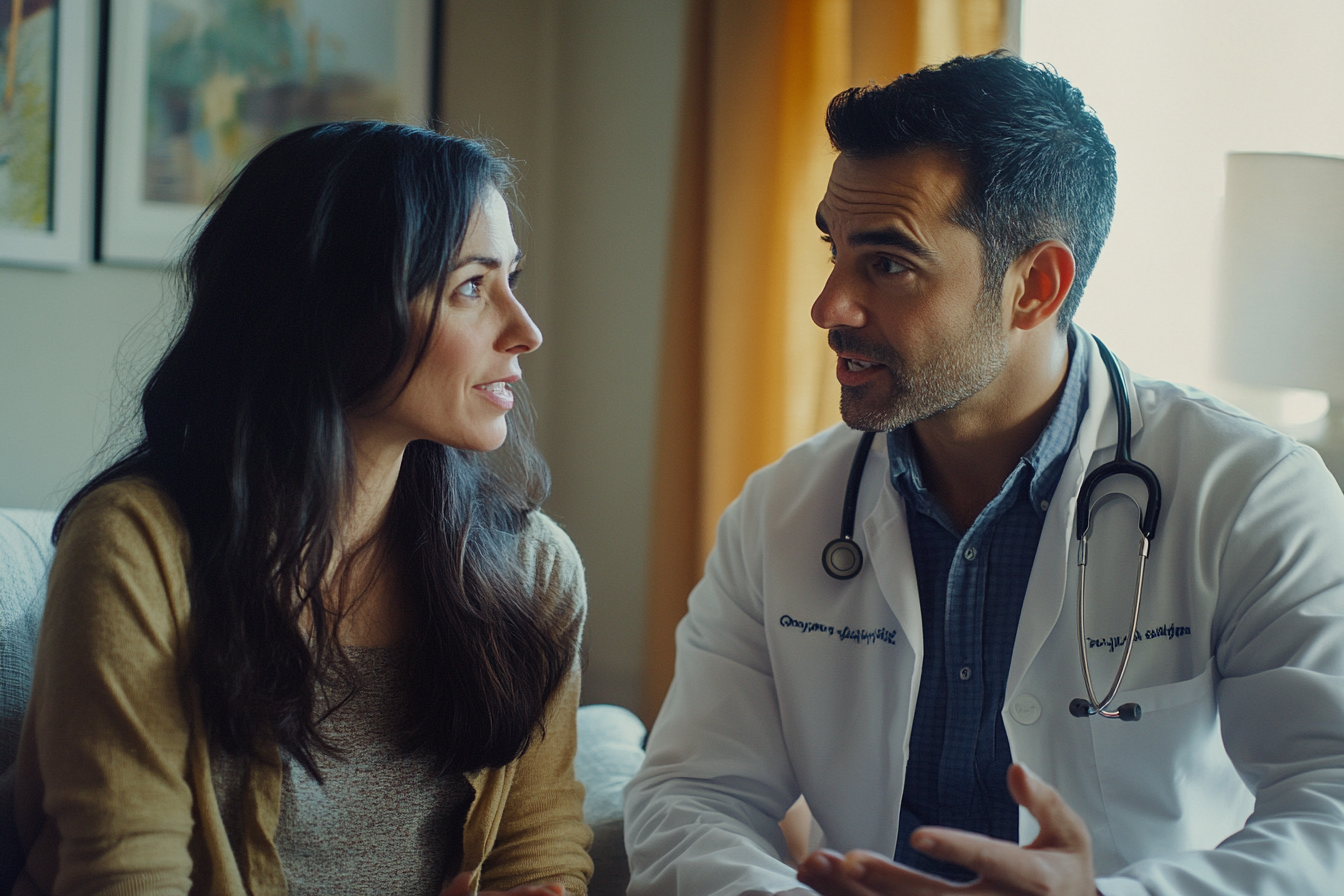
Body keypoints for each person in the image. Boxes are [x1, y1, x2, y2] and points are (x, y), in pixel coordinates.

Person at [624, 52, 1344, 896]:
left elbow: (1329, 802)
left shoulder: (1252, 494)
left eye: (887, 264)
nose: (829, 307)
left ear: (1035, 286)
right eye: (835, 250)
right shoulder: (783, 511)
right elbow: (693, 793)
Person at [11, 122, 592, 896]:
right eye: (472, 288)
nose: (526, 330)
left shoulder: (533, 570)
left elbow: (540, 856)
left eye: (511, 279)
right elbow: (125, 875)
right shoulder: (137, 550)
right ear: (335, 310)